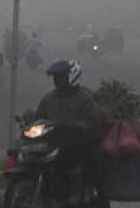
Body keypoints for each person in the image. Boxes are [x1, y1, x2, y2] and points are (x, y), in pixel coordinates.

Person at [34, 59, 104, 195]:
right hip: (52, 143)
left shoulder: (84, 98)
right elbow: (38, 120)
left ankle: (76, 192)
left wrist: (76, 126)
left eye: (60, 77)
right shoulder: (48, 99)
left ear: (69, 78)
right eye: (55, 78)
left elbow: (93, 122)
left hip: (77, 143)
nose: (56, 81)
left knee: (70, 159)